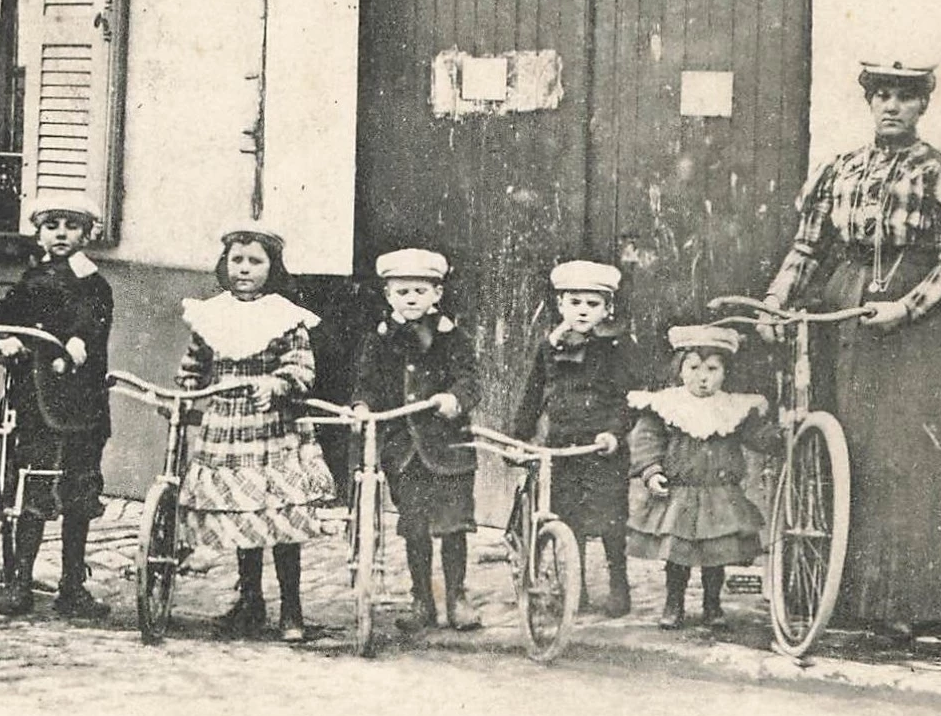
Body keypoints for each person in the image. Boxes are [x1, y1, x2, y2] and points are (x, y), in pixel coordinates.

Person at [760, 59, 941, 640]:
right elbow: (806, 247)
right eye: (882, 97)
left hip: (918, 331)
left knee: (904, 455)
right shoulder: (839, 171)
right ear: (869, 103)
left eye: (905, 98)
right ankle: (834, 594)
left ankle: (910, 601)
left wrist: (907, 308)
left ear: (924, 106)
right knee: (844, 447)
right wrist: (776, 299)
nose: (891, 107)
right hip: (843, 318)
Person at [176, 224, 334, 642]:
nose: (244, 269)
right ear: (226, 265)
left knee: (279, 516)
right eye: (237, 260)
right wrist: (186, 390)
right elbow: (194, 365)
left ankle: (292, 609)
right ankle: (249, 601)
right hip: (226, 428)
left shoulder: (284, 316)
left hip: (273, 429)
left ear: (272, 267)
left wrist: (277, 384)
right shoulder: (211, 314)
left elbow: (301, 367)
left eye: (255, 261)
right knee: (242, 514)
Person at [0, 191, 114, 620]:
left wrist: (75, 343)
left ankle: (73, 586)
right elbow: (6, 313)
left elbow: (89, 323)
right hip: (36, 402)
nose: (61, 234)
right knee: (33, 487)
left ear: (87, 235)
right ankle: (20, 583)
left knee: (79, 492)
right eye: (52, 226)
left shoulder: (93, 283)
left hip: (80, 405)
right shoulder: (31, 279)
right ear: (38, 234)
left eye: (71, 226)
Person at [350, 248, 483, 633]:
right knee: (415, 527)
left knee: (453, 525)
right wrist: (361, 406)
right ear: (388, 295)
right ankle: (421, 598)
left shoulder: (451, 337)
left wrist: (454, 398)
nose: (411, 299)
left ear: (436, 295)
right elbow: (367, 383)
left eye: (420, 292)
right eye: (402, 292)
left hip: (448, 448)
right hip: (403, 450)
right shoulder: (379, 340)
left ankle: (456, 596)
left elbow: (470, 378)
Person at [626, 326, 777, 629]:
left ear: (725, 373)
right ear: (680, 369)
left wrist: (777, 434)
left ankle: (712, 604)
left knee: (715, 555)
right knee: (677, 556)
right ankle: (674, 603)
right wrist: (651, 471)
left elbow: (755, 438)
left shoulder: (732, 408)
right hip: (679, 494)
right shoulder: (667, 406)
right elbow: (647, 440)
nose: (703, 377)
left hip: (720, 494)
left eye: (712, 369)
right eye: (693, 367)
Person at [513, 260, 634, 617]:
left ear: (607, 308)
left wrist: (614, 432)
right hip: (562, 447)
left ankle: (618, 583)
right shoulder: (549, 347)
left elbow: (624, 398)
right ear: (560, 305)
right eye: (575, 302)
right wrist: (520, 437)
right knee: (569, 519)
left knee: (611, 520)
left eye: (592, 304)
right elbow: (533, 394)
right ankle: (575, 587)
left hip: (602, 449)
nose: (583, 311)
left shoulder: (614, 348)